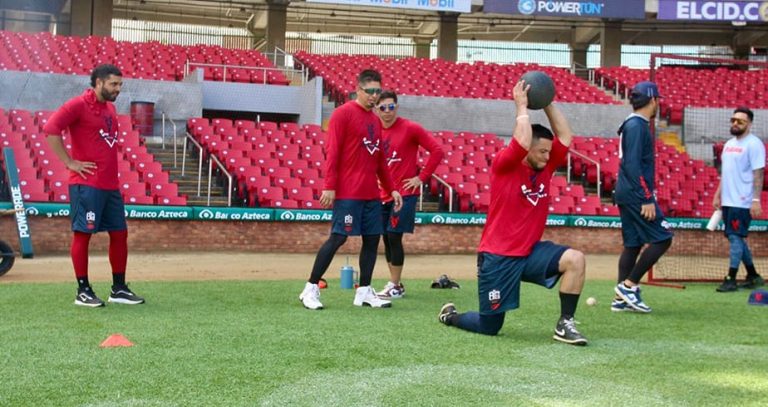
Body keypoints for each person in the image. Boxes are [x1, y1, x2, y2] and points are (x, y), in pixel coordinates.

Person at [437, 80, 588, 346]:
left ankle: (565, 324)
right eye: (541, 151)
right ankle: (451, 316)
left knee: (575, 259)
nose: (547, 157)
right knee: (490, 327)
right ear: (527, 150)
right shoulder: (505, 165)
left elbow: (565, 136)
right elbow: (521, 140)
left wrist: (547, 101)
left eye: (548, 152)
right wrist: (522, 107)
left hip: (529, 254)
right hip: (498, 257)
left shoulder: (545, 166)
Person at [299, 70, 403, 310]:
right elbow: (333, 151)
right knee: (339, 237)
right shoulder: (342, 114)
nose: (374, 96)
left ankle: (364, 292)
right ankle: (310, 288)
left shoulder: (375, 120)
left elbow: (380, 160)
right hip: (347, 192)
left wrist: (392, 189)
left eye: (378, 91)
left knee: (372, 239)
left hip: (371, 194)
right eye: (370, 91)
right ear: (358, 90)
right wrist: (329, 186)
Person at [44, 64, 144, 307]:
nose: (118, 89)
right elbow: (50, 129)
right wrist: (70, 162)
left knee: (119, 234)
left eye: (120, 84)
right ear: (98, 83)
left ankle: (118, 289)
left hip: (110, 185)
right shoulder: (77, 105)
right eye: (113, 84)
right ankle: (83, 291)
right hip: (86, 184)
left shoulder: (110, 108)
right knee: (83, 234)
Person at [374, 91, 444, 299]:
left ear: (397, 107)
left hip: (405, 193)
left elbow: (437, 151)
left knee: (394, 236)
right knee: (386, 238)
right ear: (377, 109)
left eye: (391, 107)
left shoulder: (410, 128)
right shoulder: (373, 130)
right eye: (383, 107)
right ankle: (395, 283)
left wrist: (421, 178)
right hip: (382, 194)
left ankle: (395, 285)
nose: (387, 111)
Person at [612, 81, 673, 313]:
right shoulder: (637, 126)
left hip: (627, 191)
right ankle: (629, 286)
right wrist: (647, 197)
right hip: (637, 193)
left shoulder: (633, 123)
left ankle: (620, 299)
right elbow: (632, 165)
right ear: (653, 100)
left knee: (633, 244)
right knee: (663, 238)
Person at [713, 107, 765, 292]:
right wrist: (718, 194)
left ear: (749, 124)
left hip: (742, 201)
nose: (735, 123)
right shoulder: (728, 144)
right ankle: (753, 275)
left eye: (740, 121)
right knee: (736, 238)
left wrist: (756, 200)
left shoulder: (754, 144)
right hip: (728, 200)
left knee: (736, 237)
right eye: (733, 120)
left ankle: (731, 279)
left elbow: (758, 173)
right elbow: (726, 173)